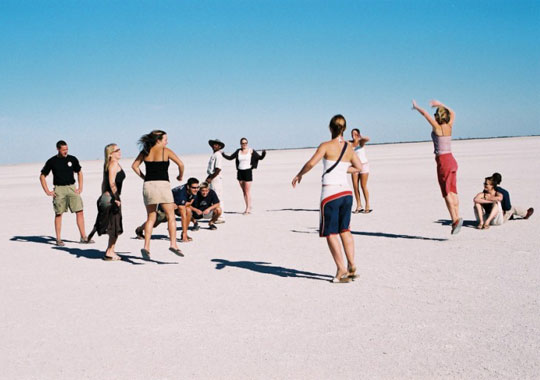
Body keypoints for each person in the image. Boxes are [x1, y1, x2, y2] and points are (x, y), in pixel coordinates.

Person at [292, 115, 363, 283]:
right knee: (345, 229)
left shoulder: (325, 146)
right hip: (346, 193)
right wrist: (342, 169)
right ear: (344, 129)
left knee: (330, 233)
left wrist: (299, 174)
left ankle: (341, 270)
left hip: (330, 194)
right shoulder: (349, 148)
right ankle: (352, 265)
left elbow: (311, 163)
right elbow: (359, 167)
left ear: (330, 128)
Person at [412, 99, 463, 234]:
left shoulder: (438, 127)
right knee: (453, 190)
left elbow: (425, 114)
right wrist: (440, 104)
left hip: (443, 162)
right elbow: (453, 113)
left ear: (438, 117)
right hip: (452, 159)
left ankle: (454, 219)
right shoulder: (450, 126)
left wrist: (416, 107)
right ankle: (457, 215)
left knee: (446, 192)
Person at [132, 130, 184, 259]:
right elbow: (181, 164)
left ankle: (146, 246)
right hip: (163, 185)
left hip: (149, 185)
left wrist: (144, 177)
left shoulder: (145, 151)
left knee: (151, 217)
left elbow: (134, 166)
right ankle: (173, 244)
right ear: (158, 140)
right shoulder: (165, 151)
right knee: (170, 215)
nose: (167, 141)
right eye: (165, 139)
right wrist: (180, 176)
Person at [40, 140, 93, 246]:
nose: (65, 151)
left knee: (80, 211)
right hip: (59, 190)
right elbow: (42, 176)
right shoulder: (52, 161)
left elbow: (79, 172)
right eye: (63, 149)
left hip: (72, 188)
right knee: (59, 213)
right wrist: (47, 191)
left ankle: (83, 237)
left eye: (67, 149)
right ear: (58, 149)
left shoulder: (72, 159)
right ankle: (58, 239)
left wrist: (80, 187)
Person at [87, 144, 125, 261]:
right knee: (115, 227)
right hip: (111, 199)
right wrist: (116, 198)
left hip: (108, 197)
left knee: (113, 226)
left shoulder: (110, 164)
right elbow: (112, 183)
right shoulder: (113, 164)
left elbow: (104, 183)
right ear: (110, 154)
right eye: (116, 150)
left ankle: (110, 250)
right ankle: (109, 251)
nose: (120, 151)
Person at [135, 178, 200, 242]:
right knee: (154, 222)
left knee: (188, 211)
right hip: (164, 207)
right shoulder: (181, 194)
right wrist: (180, 205)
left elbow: (190, 202)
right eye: (194, 188)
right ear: (188, 186)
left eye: (197, 187)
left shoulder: (193, 191)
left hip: (176, 205)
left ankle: (184, 233)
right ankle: (139, 229)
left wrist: (179, 205)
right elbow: (183, 216)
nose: (196, 189)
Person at [222, 137, 266, 214]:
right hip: (240, 172)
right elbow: (230, 158)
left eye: (245, 143)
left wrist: (264, 154)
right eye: (243, 143)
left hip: (248, 171)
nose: (244, 144)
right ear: (240, 144)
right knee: (244, 191)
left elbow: (260, 158)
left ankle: (248, 208)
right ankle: (248, 205)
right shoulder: (238, 151)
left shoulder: (251, 151)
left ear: (247, 143)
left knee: (247, 191)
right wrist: (223, 154)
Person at [350, 128, 371, 213]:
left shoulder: (360, 142)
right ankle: (359, 205)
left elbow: (367, 139)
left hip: (363, 165)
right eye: (352, 134)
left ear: (358, 134)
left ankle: (367, 205)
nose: (353, 135)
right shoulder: (350, 143)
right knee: (355, 186)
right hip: (354, 166)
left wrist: (360, 138)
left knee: (363, 186)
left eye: (355, 134)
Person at [206, 139, 226, 223]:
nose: (215, 146)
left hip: (216, 178)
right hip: (212, 177)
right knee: (213, 197)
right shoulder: (214, 154)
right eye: (214, 144)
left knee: (217, 197)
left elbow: (218, 169)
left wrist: (211, 178)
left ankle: (220, 216)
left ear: (220, 146)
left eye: (217, 145)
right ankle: (216, 215)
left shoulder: (218, 155)